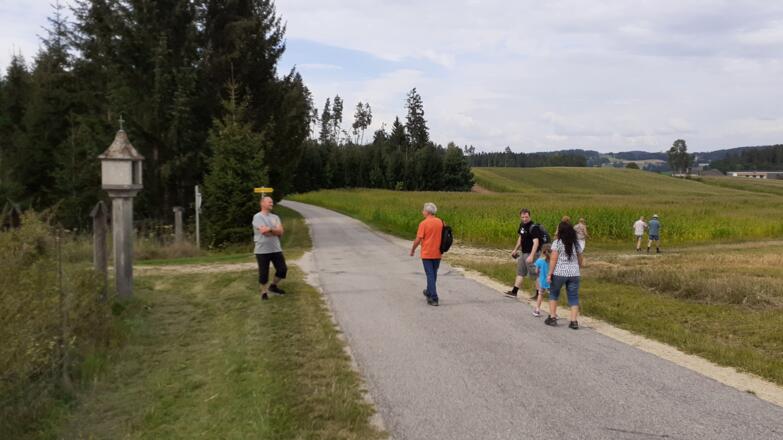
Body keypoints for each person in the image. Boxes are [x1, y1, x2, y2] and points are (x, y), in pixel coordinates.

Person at [545, 221, 584, 330]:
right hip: (574, 273)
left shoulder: (557, 243)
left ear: (561, 231)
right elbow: (580, 258)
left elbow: (553, 259)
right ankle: (574, 321)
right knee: (573, 297)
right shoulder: (576, 243)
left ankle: (552, 317)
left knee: (554, 294)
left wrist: (549, 274)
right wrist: (578, 267)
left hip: (559, 273)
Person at [253, 196, 287, 301]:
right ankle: (264, 293)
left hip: (276, 248)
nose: (271, 204)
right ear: (262, 203)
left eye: (272, 202)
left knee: (282, 269)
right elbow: (264, 232)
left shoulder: (275, 217)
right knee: (264, 273)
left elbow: (281, 232)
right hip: (262, 250)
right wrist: (275, 230)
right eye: (269, 202)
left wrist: (270, 229)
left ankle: (273, 286)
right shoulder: (257, 217)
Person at [410, 202, 444, 306]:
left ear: (427, 212)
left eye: (423, 210)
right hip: (438, 253)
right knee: (433, 274)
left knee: (430, 275)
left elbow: (418, 239)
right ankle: (429, 291)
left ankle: (434, 298)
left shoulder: (423, 223)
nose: (422, 212)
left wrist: (413, 249)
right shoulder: (441, 222)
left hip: (427, 253)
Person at [506, 208, 542, 300]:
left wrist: (532, 256)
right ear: (520, 217)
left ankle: (539, 294)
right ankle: (514, 292)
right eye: (523, 217)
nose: (524, 219)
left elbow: (536, 243)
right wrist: (515, 249)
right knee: (520, 272)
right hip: (523, 253)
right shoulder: (522, 225)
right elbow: (520, 238)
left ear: (530, 216)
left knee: (535, 274)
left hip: (532, 253)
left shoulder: (533, 227)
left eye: (526, 217)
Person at [532, 244, 552, 317]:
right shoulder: (553, 261)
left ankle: (537, 310)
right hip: (551, 281)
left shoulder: (539, 260)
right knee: (552, 297)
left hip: (542, 281)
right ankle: (552, 313)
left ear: (542, 251)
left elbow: (536, 271)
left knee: (540, 295)